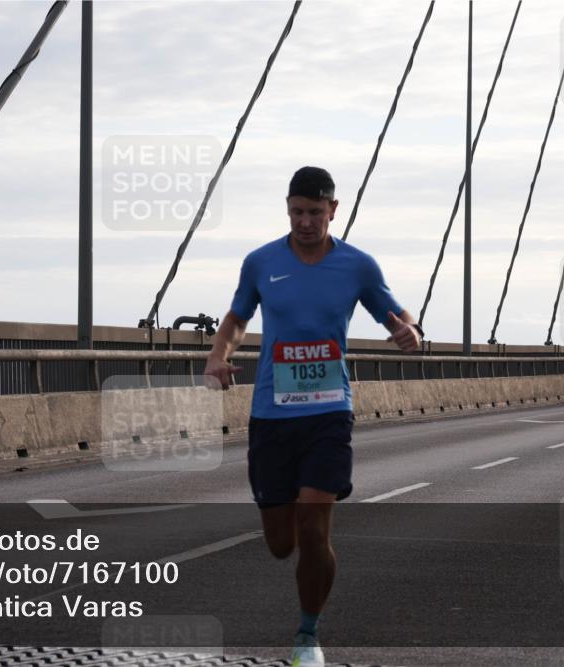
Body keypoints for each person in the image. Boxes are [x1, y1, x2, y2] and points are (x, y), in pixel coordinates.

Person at [203, 166, 421, 667]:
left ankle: (307, 636)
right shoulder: (261, 262)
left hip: (329, 412)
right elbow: (237, 319)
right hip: (272, 414)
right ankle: (297, 554)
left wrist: (411, 330)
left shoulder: (357, 266)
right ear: (287, 209)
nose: (305, 222)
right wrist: (217, 355)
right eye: (297, 212)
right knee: (282, 543)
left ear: (333, 211)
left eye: (315, 213)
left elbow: (397, 314)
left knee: (314, 524)